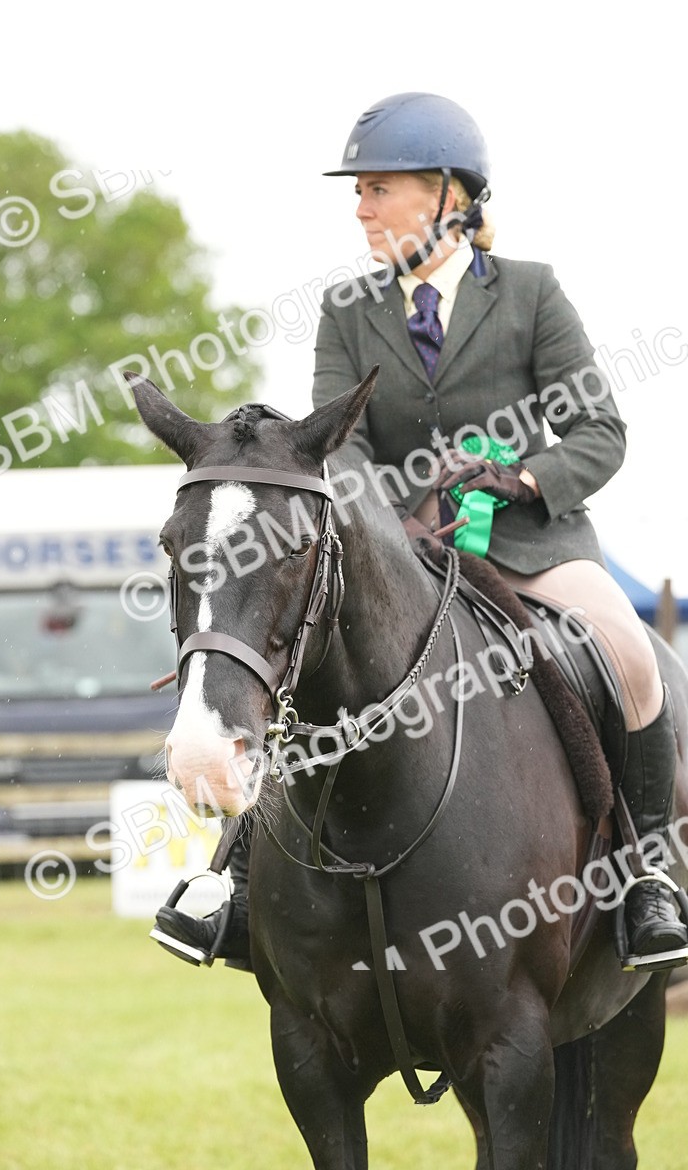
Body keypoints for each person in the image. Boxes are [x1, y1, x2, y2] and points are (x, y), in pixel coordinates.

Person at [154, 92, 688, 972]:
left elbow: (601, 432)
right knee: (298, 665)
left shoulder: (530, 291)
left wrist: (522, 479)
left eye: (378, 188)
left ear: (449, 195)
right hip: (398, 555)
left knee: (631, 657)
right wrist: (400, 513)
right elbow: (342, 444)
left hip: (532, 549)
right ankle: (235, 883)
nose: (359, 207)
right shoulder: (346, 307)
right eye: (358, 191)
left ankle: (648, 879)